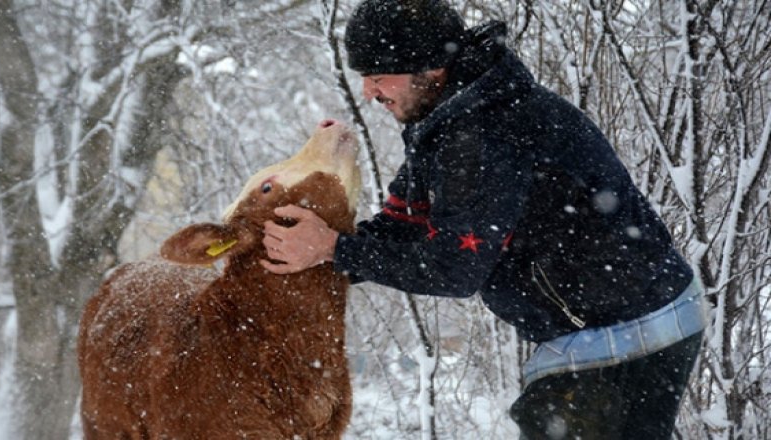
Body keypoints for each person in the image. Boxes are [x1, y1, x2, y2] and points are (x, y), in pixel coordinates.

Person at [261, 0, 707, 438]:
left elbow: (455, 268)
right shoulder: (445, 118)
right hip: (607, 324)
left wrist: (333, 249)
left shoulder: (482, 134)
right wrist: (315, 254)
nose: (368, 92)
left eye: (378, 77)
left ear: (430, 69)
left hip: (630, 328)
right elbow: (405, 223)